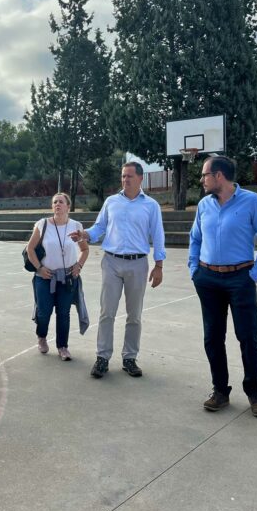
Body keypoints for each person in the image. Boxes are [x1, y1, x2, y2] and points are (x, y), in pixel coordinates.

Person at [188, 155, 257, 417]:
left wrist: (255, 274)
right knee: (213, 337)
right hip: (208, 279)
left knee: (247, 336)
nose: (201, 180)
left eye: (204, 175)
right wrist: (194, 269)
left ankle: (254, 393)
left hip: (241, 279)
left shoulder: (252, 202)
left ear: (219, 176)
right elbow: (195, 239)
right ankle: (220, 391)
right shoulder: (204, 205)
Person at [70, 162, 166, 379]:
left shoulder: (151, 205)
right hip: (111, 262)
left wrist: (159, 265)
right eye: (123, 176)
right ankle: (102, 357)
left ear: (140, 178)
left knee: (134, 315)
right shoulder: (111, 201)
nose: (125, 180)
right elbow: (99, 227)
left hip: (138, 263)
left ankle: (129, 358)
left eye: (129, 176)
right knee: (107, 312)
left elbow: (158, 235)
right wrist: (85, 234)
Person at [26, 192, 90, 361]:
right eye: (55, 202)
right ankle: (41, 336)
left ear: (68, 206)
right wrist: (39, 268)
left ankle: (63, 347)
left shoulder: (76, 226)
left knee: (63, 313)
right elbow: (30, 249)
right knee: (44, 311)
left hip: (67, 277)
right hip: (45, 277)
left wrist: (79, 265)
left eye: (61, 202)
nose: (57, 204)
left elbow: (85, 249)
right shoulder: (42, 224)